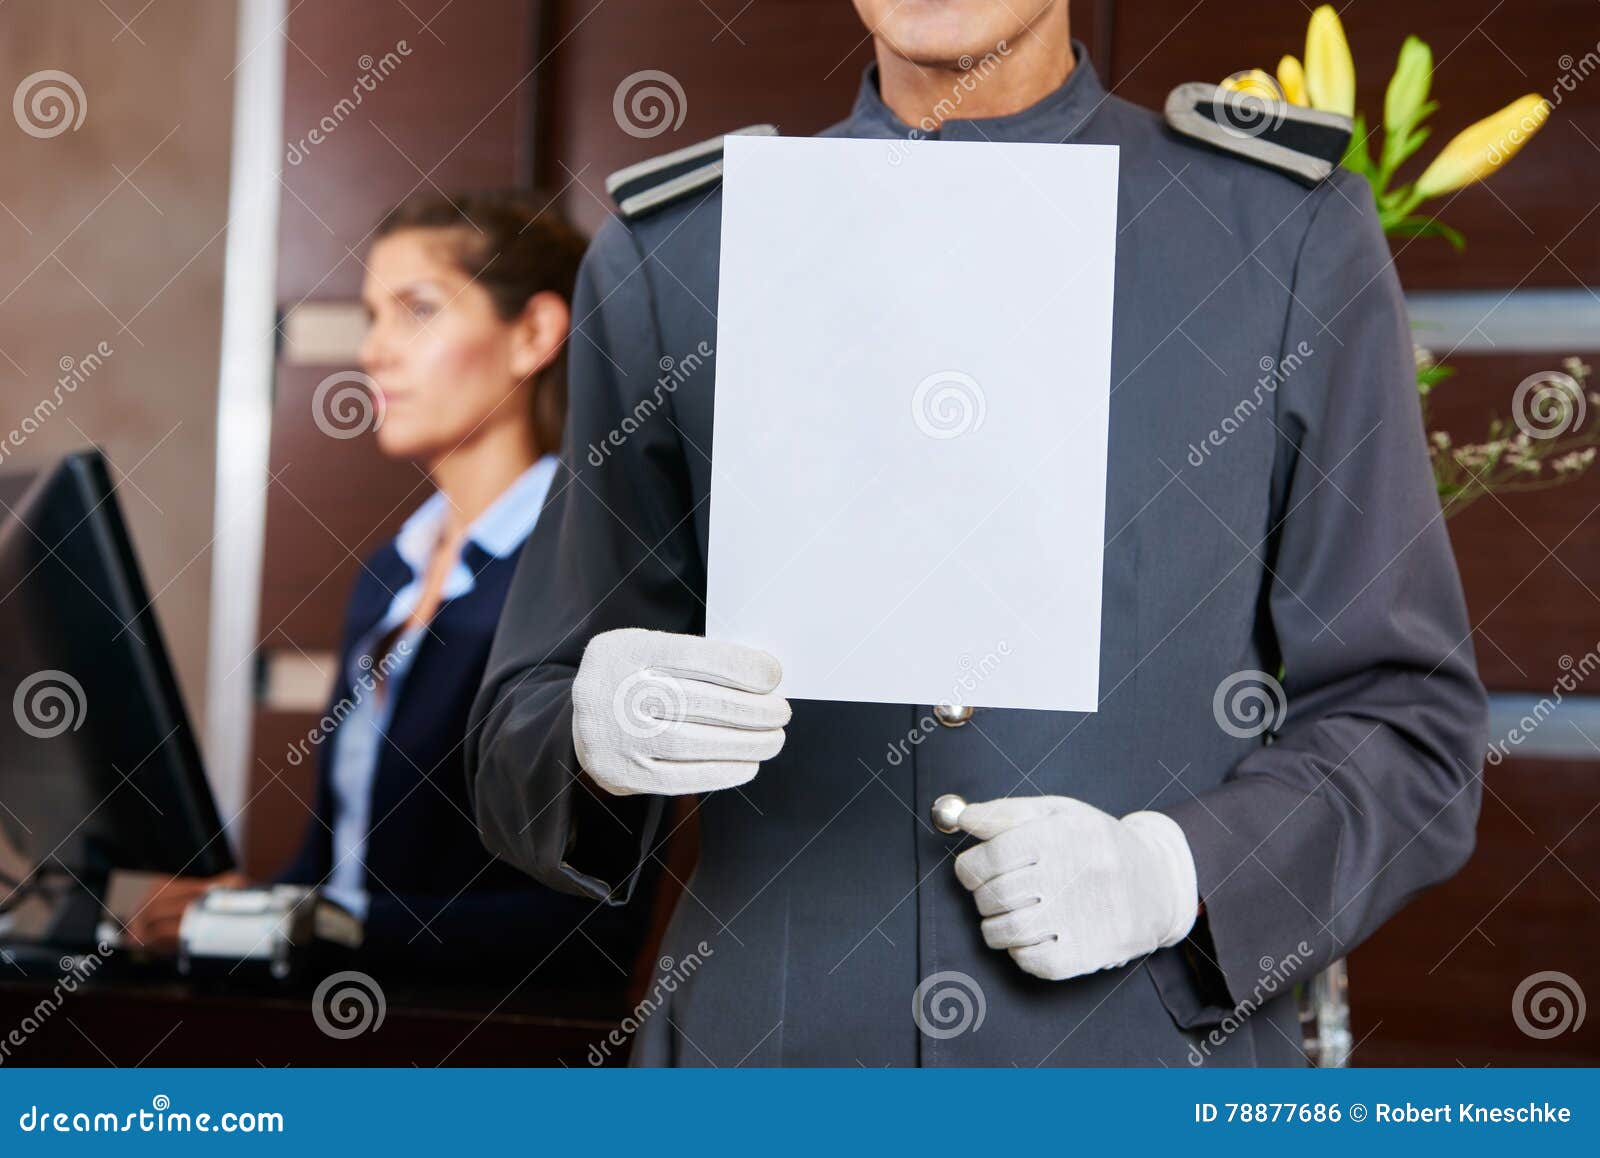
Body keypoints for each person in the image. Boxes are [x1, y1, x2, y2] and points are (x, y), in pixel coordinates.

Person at [467, 0, 1488, 1063]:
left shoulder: (1282, 230)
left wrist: (1178, 870)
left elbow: (1408, 721)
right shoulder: (678, 247)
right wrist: (592, 738)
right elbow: (516, 734)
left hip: (1137, 1065)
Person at [130, 191, 654, 981]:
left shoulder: (587, 576)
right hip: (347, 1018)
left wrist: (318, 927)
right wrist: (243, 912)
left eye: (418, 311)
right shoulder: (391, 576)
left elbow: (586, 924)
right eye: (373, 317)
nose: (374, 351)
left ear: (535, 334)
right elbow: (332, 872)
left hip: (485, 1040)